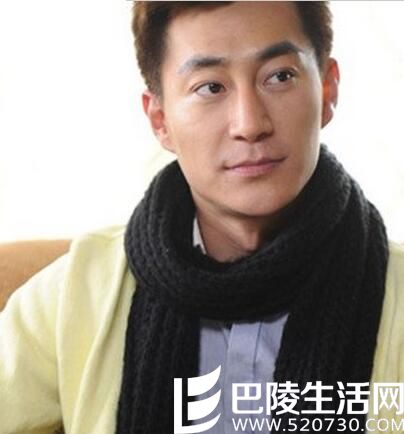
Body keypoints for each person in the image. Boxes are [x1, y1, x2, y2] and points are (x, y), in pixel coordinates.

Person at [1, 2, 403, 434]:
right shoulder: (68, 300)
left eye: (279, 77)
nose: (249, 124)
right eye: (210, 87)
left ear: (327, 89)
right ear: (160, 120)